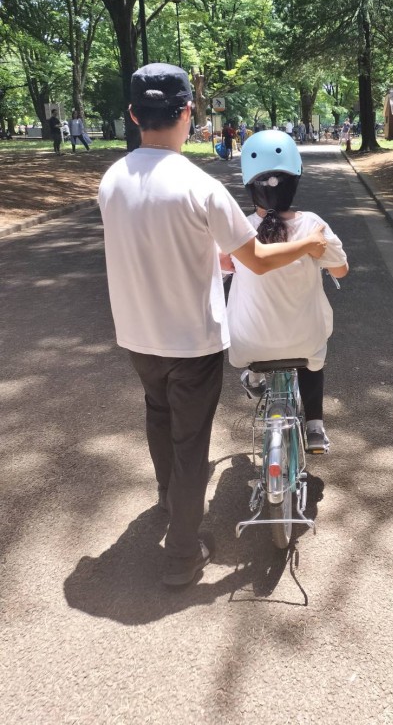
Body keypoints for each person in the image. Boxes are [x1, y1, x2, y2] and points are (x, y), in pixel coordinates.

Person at [98, 63, 328, 586]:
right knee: (190, 441)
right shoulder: (200, 188)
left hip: (136, 333)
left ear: (134, 115)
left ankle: (167, 497)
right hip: (191, 338)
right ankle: (182, 551)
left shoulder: (111, 181)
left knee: (157, 413)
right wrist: (311, 245)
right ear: (188, 112)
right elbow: (260, 260)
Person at [226, 130, 349, 454]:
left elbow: (223, 266)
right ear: (295, 178)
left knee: (255, 327)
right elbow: (341, 271)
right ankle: (316, 427)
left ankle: (254, 377)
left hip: (248, 342)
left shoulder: (239, 228)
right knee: (312, 359)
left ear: (249, 183)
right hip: (304, 338)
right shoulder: (312, 225)